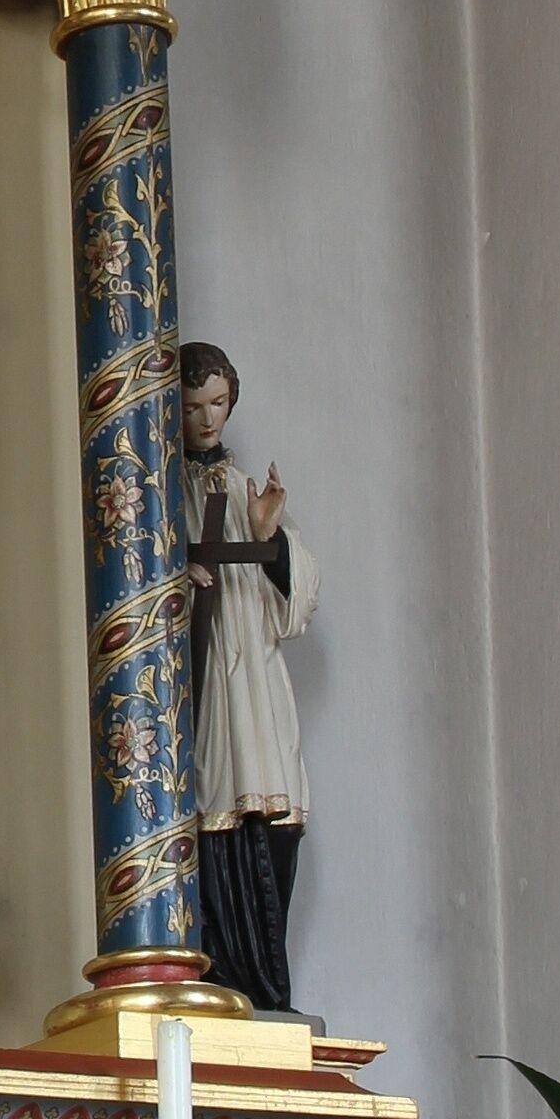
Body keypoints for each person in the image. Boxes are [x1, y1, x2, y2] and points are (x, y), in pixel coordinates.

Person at [180, 338, 318, 1010]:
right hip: (206, 690)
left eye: (218, 403)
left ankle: (266, 985)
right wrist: (183, 584)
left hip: (257, 687)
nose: (208, 419)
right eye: (193, 405)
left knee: (274, 815)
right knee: (214, 815)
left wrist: (269, 543)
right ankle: (224, 980)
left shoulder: (242, 492)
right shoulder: (156, 494)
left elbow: (297, 606)